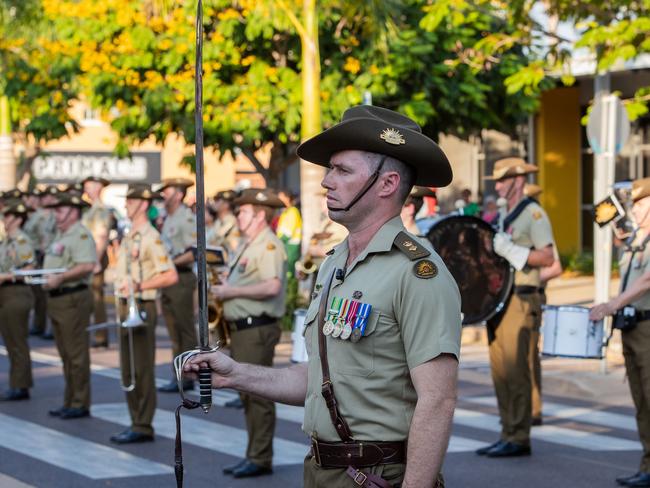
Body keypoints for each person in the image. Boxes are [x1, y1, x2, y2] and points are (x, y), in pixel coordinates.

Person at [185, 105, 461, 487]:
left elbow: (438, 400)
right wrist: (237, 374)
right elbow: (318, 378)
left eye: (342, 170)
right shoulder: (335, 264)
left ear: (387, 184)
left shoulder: (416, 272)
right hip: (322, 471)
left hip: (379, 475)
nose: (326, 182)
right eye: (330, 169)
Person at [476, 157, 556, 457]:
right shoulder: (505, 214)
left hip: (522, 297)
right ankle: (507, 431)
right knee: (500, 370)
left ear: (518, 180)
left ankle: (519, 436)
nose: (497, 186)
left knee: (516, 369)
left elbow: (547, 257)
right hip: (500, 299)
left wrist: (512, 250)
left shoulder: (533, 214)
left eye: (502, 180)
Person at [208, 188, 286, 478]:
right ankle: (254, 453)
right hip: (242, 329)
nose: (238, 215)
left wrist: (231, 291)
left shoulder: (268, 246)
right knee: (247, 393)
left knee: (258, 394)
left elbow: (272, 287)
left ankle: (260, 457)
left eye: (243, 211)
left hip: (258, 327)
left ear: (259, 215)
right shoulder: (248, 244)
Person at [590, 177, 650, 488]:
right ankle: (647, 464)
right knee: (641, 401)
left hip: (648, 326)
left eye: (639, 204)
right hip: (632, 327)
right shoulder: (637, 240)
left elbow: (646, 282)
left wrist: (611, 304)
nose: (635, 210)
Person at [110, 184, 178, 444]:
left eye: (130, 200)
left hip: (141, 304)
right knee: (128, 368)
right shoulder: (132, 234)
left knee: (141, 368)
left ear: (141, 203)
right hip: (126, 303)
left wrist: (139, 286)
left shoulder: (150, 236)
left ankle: (142, 423)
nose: (126, 204)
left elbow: (169, 275)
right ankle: (135, 420)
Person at [42, 193, 96, 419]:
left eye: (60, 210)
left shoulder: (80, 234)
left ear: (73, 212)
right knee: (65, 353)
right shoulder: (61, 234)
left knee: (76, 354)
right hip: (58, 298)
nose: (56, 214)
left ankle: (79, 402)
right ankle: (70, 399)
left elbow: (87, 265)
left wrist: (61, 277)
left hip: (72, 297)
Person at [523, 183, 563, 425]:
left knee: (528, 356)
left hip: (534, 294)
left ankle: (534, 409)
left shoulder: (539, 226)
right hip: (526, 295)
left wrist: (530, 277)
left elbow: (556, 266)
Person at [158, 178, 198, 392]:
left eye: (168, 191)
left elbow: (194, 251)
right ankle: (179, 375)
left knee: (185, 329)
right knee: (174, 331)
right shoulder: (169, 218)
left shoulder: (186, 219)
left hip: (181, 277)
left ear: (179, 194)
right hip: (169, 278)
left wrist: (168, 264)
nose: (164, 195)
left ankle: (188, 375)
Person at [0, 203, 36, 401]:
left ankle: (21, 385)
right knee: (10, 341)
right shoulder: (7, 241)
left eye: (7, 217)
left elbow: (28, 268)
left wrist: (4, 277)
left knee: (17, 341)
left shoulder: (21, 241)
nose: (4, 221)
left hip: (16, 292)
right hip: (5, 294)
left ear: (18, 219)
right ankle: (16, 383)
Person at [81, 176, 113, 348]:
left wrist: (96, 261)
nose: (86, 190)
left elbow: (101, 237)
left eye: (89, 187)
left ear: (98, 187)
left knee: (96, 299)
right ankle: (95, 333)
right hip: (88, 258)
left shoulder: (100, 210)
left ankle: (101, 336)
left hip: (94, 259)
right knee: (90, 298)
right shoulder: (90, 209)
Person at [276, 189, 302, 278]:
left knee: (289, 272)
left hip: (291, 246)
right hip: (285, 244)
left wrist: (277, 242)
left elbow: (288, 233)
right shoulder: (285, 212)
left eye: (281, 197)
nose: (278, 199)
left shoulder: (293, 211)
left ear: (287, 198)